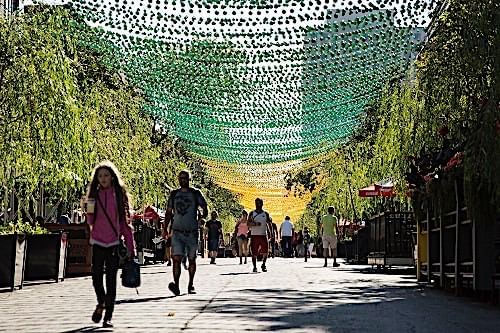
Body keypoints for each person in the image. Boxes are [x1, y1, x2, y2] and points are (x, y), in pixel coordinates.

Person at [85, 161, 135, 328]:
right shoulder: (94, 195)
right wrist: (88, 209)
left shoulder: (118, 195)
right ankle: (101, 302)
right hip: (98, 241)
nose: (103, 178)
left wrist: (130, 247)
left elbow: (125, 223)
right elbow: (90, 221)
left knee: (111, 280)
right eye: (100, 176)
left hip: (113, 242)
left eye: (106, 175)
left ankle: (108, 316)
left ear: (112, 177)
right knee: (96, 276)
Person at [163, 170, 208, 296]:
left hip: (192, 232)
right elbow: (168, 212)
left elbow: (205, 208)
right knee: (176, 259)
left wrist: (202, 218)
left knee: (192, 259)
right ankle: (176, 285)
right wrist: (165, 228)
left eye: (185, 178)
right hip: (177, 232)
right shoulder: (174, 194)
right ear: (178, 179)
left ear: (189, 179)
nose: (183, 180)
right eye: (181, 178)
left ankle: (190, 284)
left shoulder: (195, 193)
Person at [247, 198, 272, 273]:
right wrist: (255, 224)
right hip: (254, 235)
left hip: (263, 235)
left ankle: (263, 264)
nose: (258, 205)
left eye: (259, 203)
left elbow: (269, 224)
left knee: (266, 251)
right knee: (254, 252)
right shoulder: (252, 213)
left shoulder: (265, 214)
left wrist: (271, 233)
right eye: (256, 203)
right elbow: (248, 224)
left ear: (262, 204)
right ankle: (254, 267)